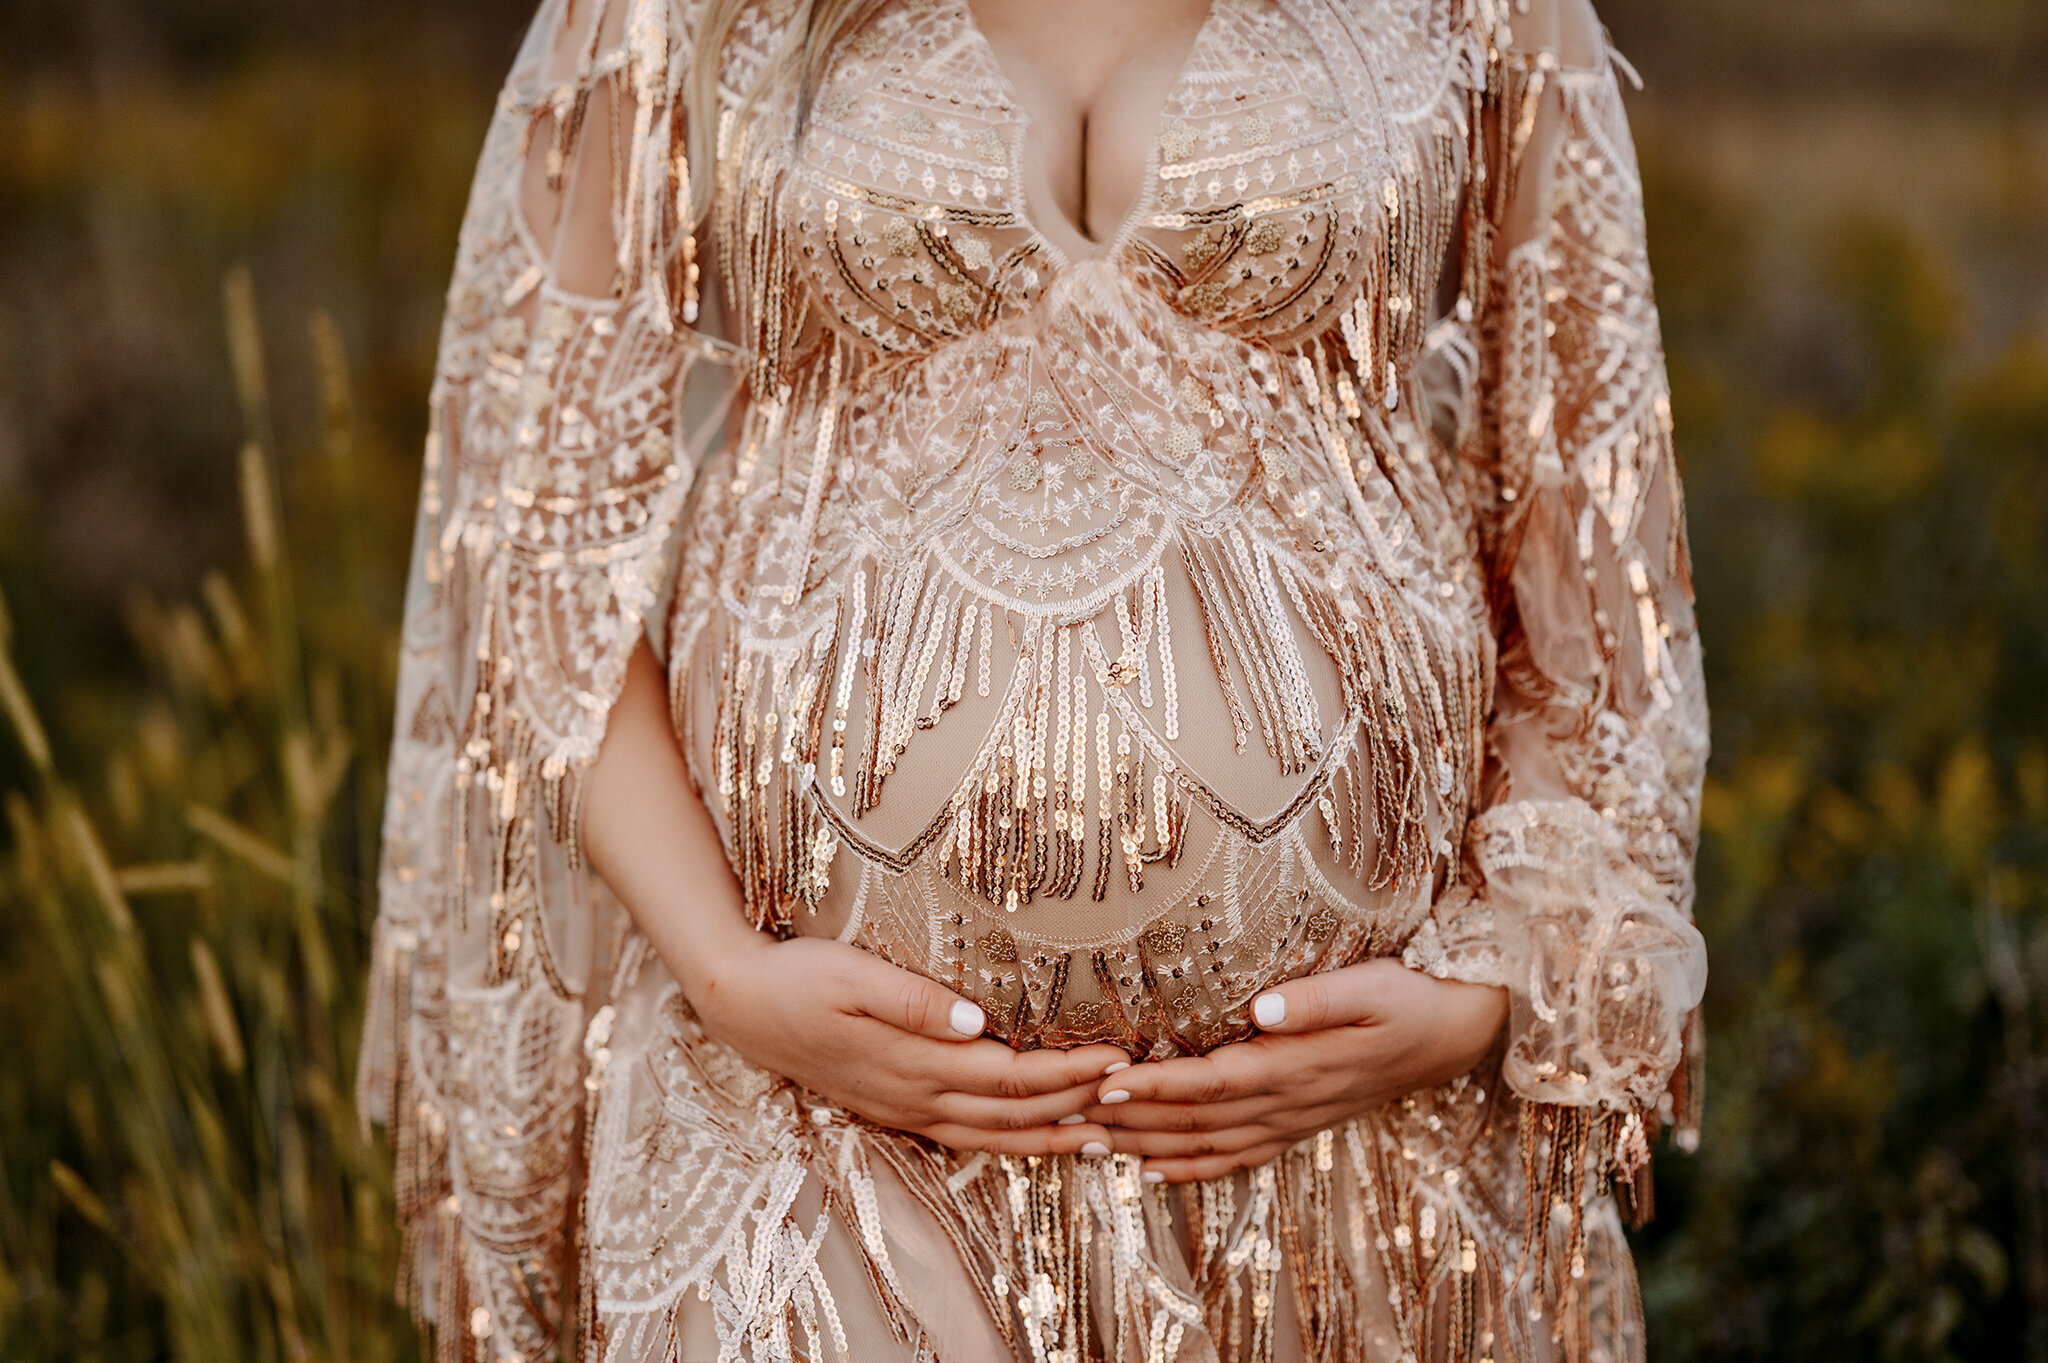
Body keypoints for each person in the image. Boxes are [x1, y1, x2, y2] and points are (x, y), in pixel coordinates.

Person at [356, 0, 1709, 1357]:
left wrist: (1473, 1002)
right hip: (805, 1114)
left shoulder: (1486, 12)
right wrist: (725, 975)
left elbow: (1599, 559)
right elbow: (535, 542)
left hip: (1353, 1154)